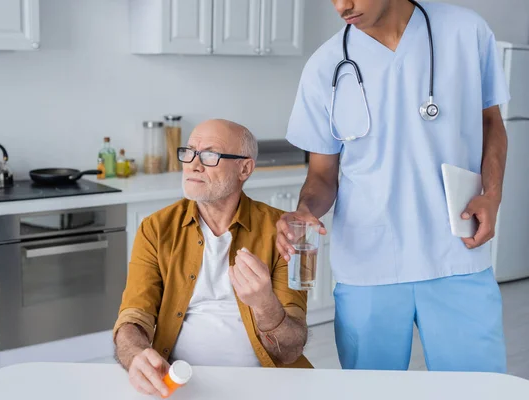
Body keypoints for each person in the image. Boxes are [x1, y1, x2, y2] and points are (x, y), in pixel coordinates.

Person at [277, 0, 509, 373]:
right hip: (369, 267)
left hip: (457, 255)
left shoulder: (466, 31)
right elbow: (322, 175)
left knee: (479, 390)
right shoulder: (325, 66)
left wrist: (492, 194)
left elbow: (490, 122)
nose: (342, 6)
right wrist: (306, 209)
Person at [114, 119, 312, 397]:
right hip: (179, 382)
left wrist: (264, 303)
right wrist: (135, 354)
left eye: (210, 155)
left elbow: (292, 349)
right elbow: (133, 317)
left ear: (244, 168)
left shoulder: (284, 233)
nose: (193, 164)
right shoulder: (155, 229)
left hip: (265, 381)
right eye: (189, 152)